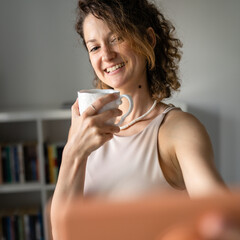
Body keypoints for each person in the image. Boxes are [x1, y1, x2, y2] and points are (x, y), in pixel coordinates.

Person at [51, 0, 230, 238]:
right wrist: (72, 153)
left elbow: (220, 216)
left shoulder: (177, 129)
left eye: (117, 38)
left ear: (149, 39)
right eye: (94, 48)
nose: (107, 55)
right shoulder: (85, 132)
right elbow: (63, 235)